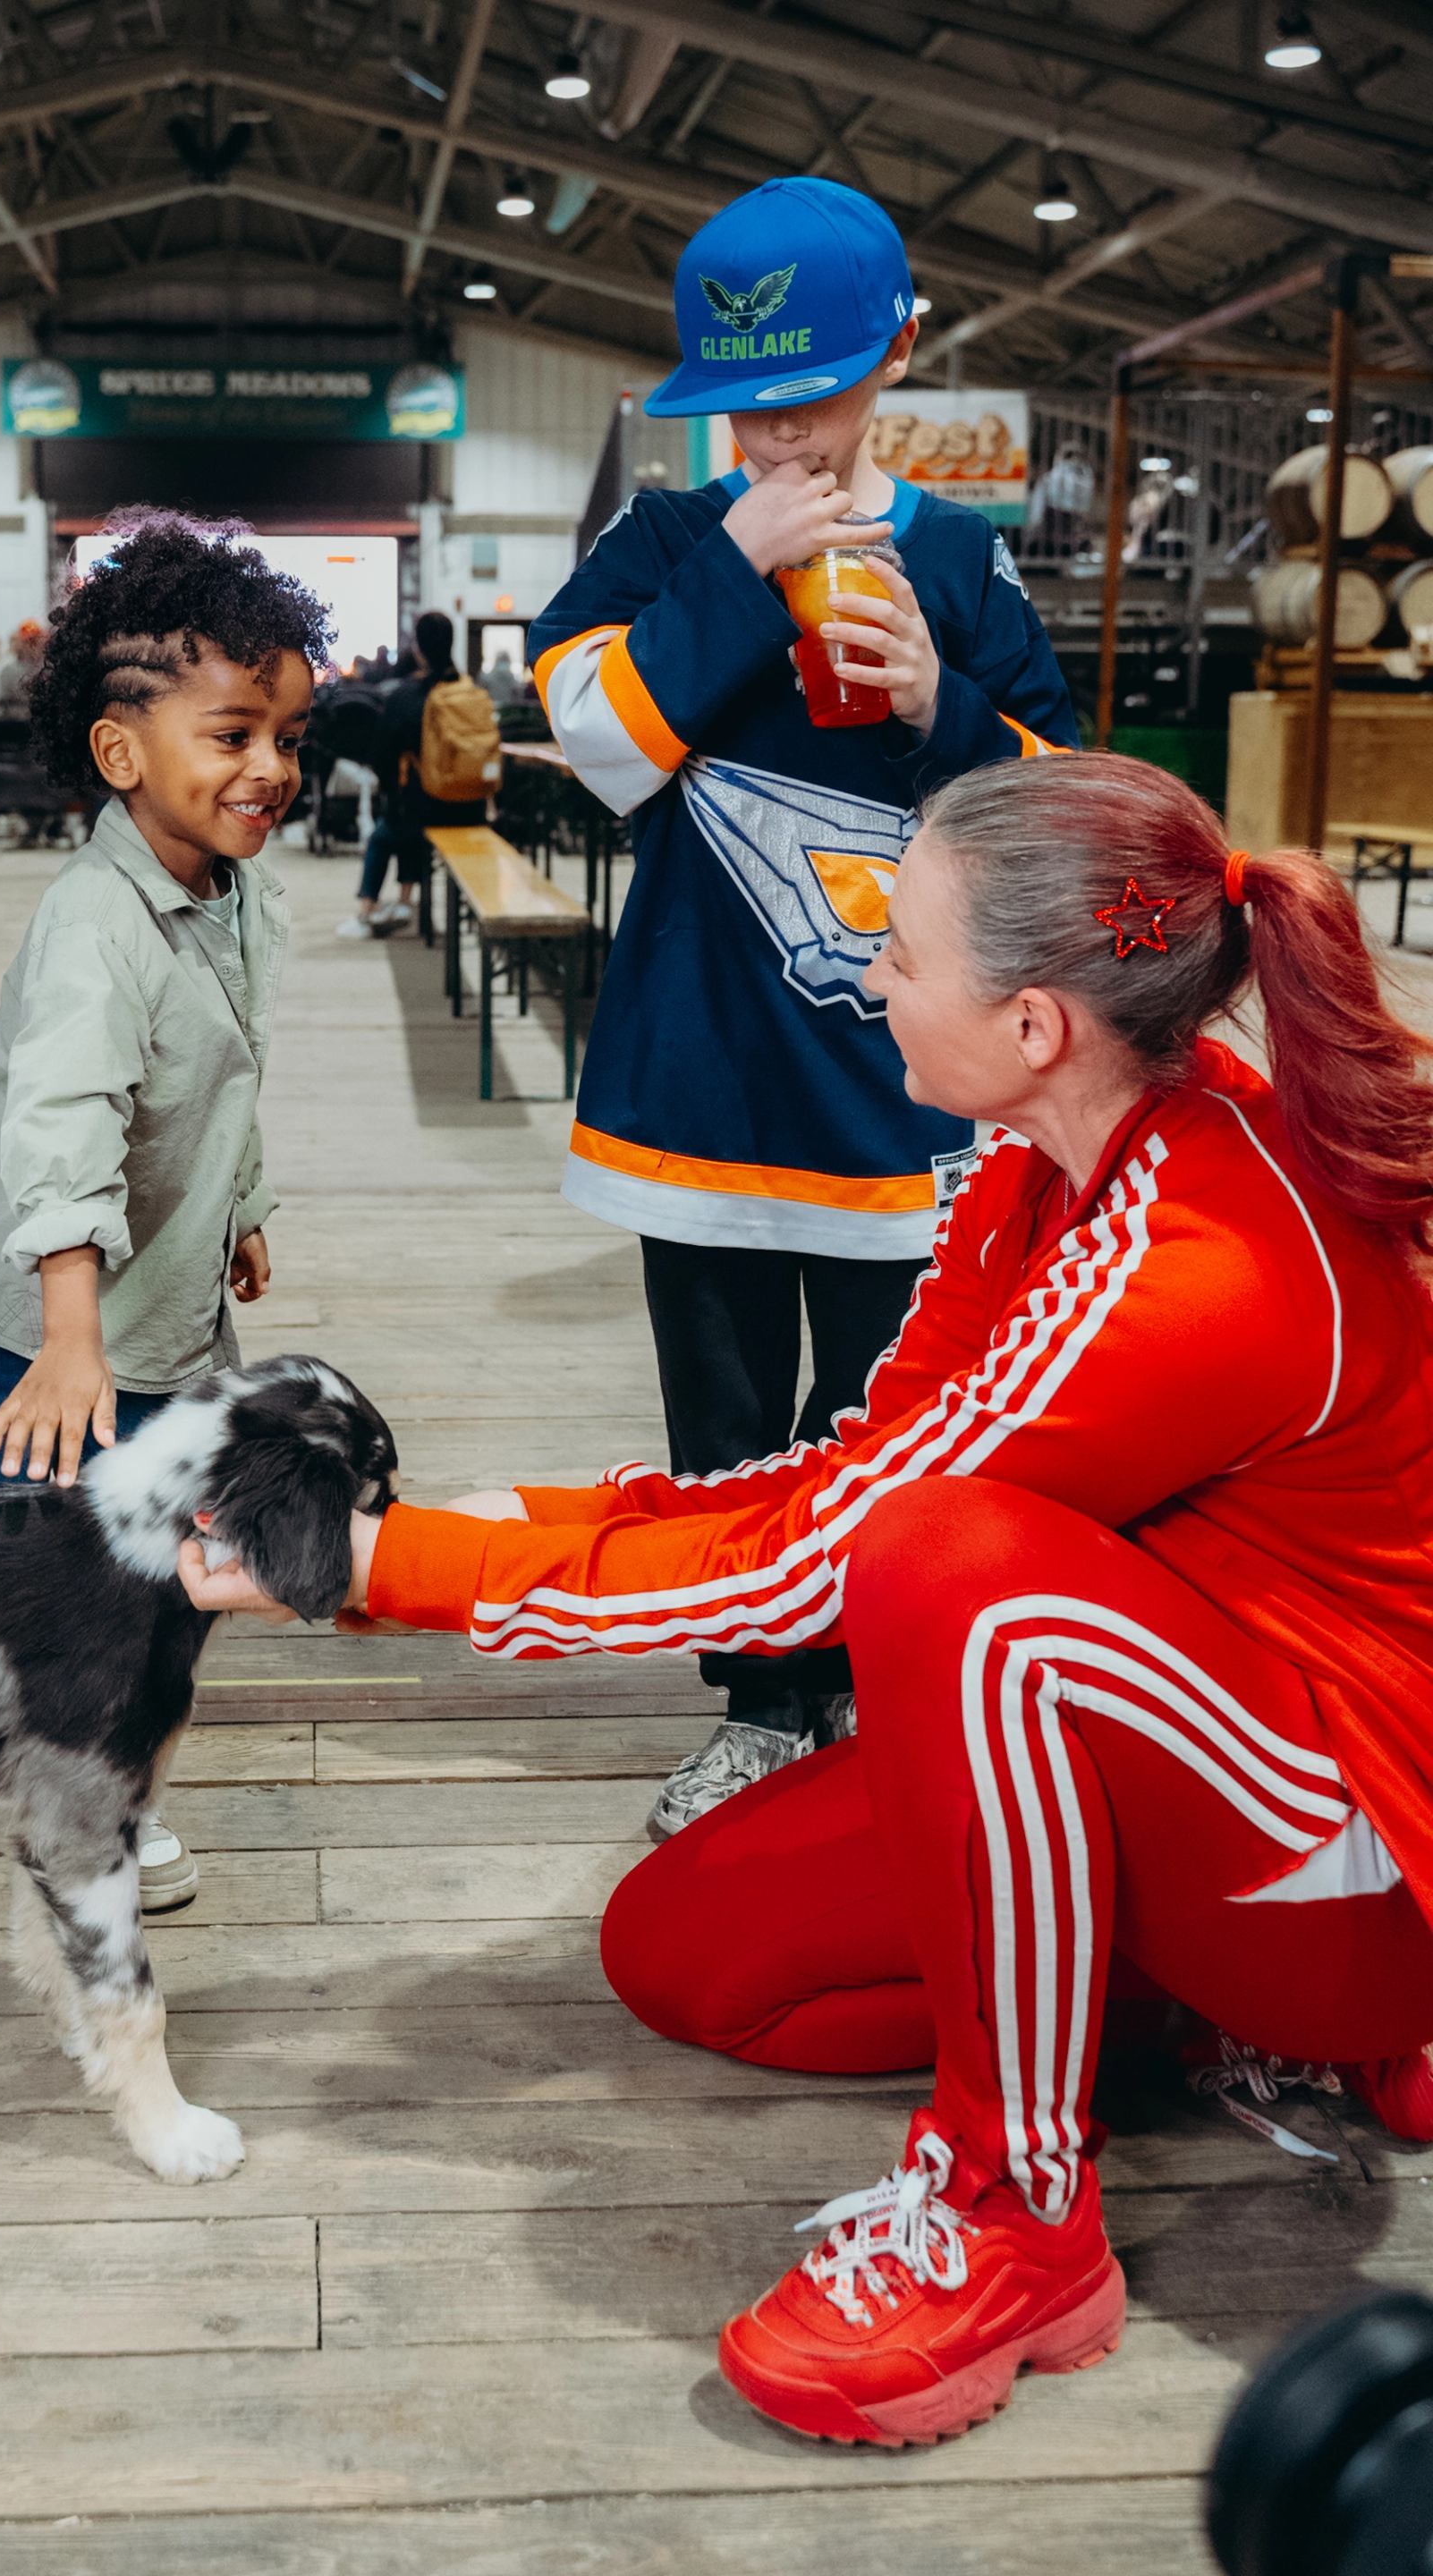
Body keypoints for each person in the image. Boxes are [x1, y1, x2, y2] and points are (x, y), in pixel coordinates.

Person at [181, 750, 1433, 2453]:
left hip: (1348, 1869)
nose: (866, 976)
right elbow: (828, 1472)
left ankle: (1015, 2213)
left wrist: (389, 1573)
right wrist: (433, 1527)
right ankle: (1157, 2000)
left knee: (950, 1573)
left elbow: (834, 1561)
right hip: (1201, 1766)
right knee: (691, 1959)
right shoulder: (1044, 1166)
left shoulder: (1194, 1256)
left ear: (1037, 1024)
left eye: (900, 949)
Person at [527, 175, 1079, 1836]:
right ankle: (762, 1708)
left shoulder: (959, 557)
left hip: (895, 1103)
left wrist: (944, 709)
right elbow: (596, 744)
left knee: (888, 1421)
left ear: (898, 355)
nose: (780, 439)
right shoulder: (666, 543)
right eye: (743, 410)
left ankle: (869, 1690)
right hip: (692, 1088)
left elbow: (1064, 812)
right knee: (722, 1434)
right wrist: (732, 571)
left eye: (813, 400)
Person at [0, 509, 330, 1903]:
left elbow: (229, 1073)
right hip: (34, 1312)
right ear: (121, 753)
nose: (272, 769)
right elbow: (64, 1129)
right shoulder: (95, 924)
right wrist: (64, 1337)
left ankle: (88, 1785)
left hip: (155, 1302)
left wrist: (241, 1204)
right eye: (235, 734)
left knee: (134, 1554)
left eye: (288, 738)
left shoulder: (237, 895)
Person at [336, 609, 496, 941]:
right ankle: (406, 901)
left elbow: (381, 756)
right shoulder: (471, 692)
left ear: (419, 648)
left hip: (422, 810)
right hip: (471, 810)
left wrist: (395, 792)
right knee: (406, 814)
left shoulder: (405, 696)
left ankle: (367, 913)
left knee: (385, 834)